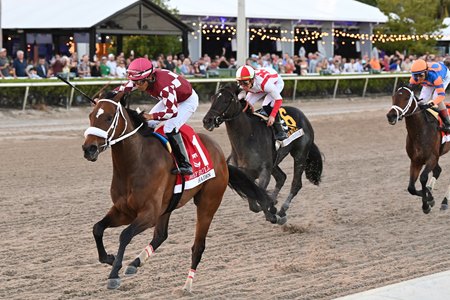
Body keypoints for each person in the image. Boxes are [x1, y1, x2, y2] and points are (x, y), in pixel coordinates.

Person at [115, 57, 198, 175]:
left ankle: (185, 164)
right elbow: (122, 89)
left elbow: (171, 111)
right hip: (173, 98)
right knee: (148, 124)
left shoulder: (164, 87)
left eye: (139, 82)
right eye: (135, 82)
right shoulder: (143, 79)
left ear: (149, 78)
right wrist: (104, 99)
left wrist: (152, 116)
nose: (137, 86)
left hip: (187, 101)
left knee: (169, 128)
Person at [235, 65, 288, 141]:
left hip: (275, 83)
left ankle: (280, 130)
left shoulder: (264, 84)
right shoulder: (246, 81)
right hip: (257, 86)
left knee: (266, 105)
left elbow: (279, 100)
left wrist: (272, 116)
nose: (243, 86)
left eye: (245, 83)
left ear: (252, 79)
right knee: (245, 105)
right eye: (240, 83)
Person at [410, 58, 450, 132]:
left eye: (420, 75)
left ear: (426, 72)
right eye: (416, 75)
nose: (418, 78)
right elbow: (409, 90)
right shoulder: (414, 78)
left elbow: (441, 96)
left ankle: (448, 123)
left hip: (444, 76)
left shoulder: (435, 76)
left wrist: (431, 104)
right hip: (429, 79)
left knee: (436, 97)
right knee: (422, 100)